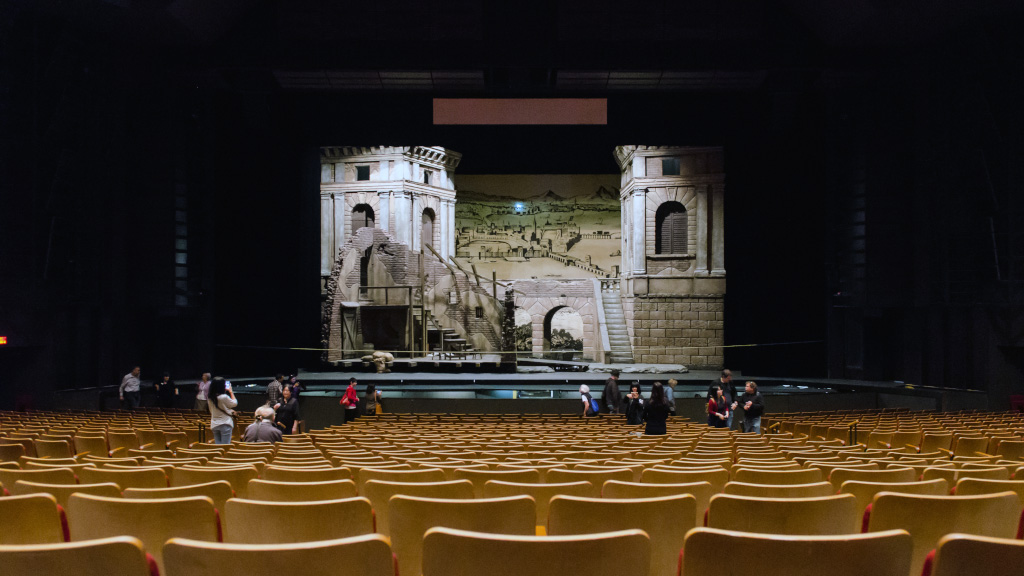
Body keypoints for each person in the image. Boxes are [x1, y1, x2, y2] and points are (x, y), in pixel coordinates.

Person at [208, 377, 238, 444]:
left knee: (218, 445)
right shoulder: (224, 397)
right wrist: (231, 392)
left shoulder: (210, 398)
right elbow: (234, 403)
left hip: (214, 423)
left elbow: (211, 411)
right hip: (225, 423)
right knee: (225, 445)